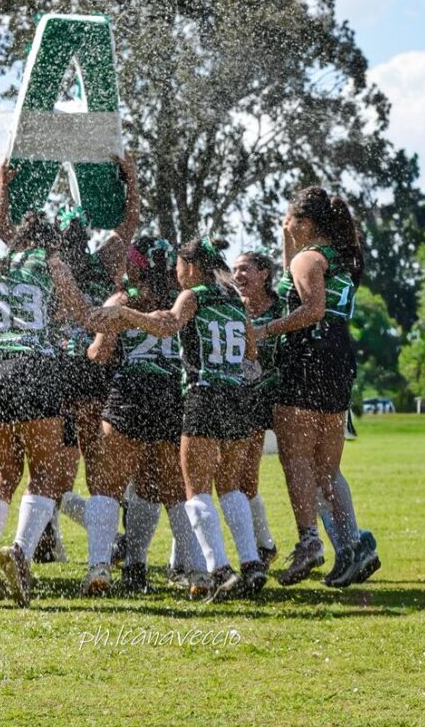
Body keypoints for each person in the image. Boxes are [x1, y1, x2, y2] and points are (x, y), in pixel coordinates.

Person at [0, 167, 109, 608]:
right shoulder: (51, 264)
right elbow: (84, 314)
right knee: (46, 472)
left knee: (4, 471)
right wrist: (118, 316)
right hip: (32, 369)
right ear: (48, 242)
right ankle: (19, 551)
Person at [101, 236, 264, 601]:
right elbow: (251, 351)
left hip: (204, 395)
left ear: (190, 267)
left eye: (178, 265)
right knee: (231, 487)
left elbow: (167, 326)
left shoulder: (192, 296)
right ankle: (252, 562)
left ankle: (220, 570)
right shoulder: (235, 300)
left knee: (196, 490)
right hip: (237, 396)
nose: (175, 272)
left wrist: (126, 315)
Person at [253, 186, 380, 587]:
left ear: (305, 223)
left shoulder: (308, 259)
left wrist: (265, 330)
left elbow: (311, 309)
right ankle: (353, 547)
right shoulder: (339, 258)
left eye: (290, 219)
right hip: (338, 361)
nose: (286, 224)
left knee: (297, 460)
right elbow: (296, 279)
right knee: (328, 468)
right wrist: (286, 237)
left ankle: (310, 541)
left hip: (307, 360)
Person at [82, 236, 207, 596]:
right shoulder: (183, 300)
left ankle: (99, 568)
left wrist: (86, 344)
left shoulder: (122, 301)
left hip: (130, 395)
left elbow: (101, 353)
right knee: (174, 491)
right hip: (171, 396)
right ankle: (196, 573)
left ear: (136, 265)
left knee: (107, 486)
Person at [232, 250, 284, 566]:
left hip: (278, 397)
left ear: (264, 274)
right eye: (235, 269)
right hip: (244, 400)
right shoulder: (232, 307)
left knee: (303, 470)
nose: (238, 275)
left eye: (245, 269)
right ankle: (264, 545)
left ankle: (311, 543)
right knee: (243, 478)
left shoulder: (282, 307)